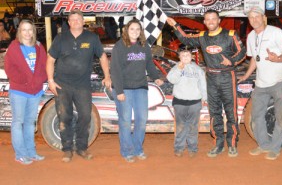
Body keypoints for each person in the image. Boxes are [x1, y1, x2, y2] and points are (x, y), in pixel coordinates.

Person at [167, 10, 246, 158]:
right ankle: (218, 144)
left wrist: (232, 61)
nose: (210, 21)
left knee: (231, 112)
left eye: (213, 19)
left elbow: (242, 51)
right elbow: (186, 39)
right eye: (207, 19)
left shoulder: (230, 34)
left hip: (227, 76)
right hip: (211, 77)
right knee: (214, 112)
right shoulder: (202, 36)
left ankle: (232, 144)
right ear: (204, 21)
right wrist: (175, 25)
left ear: (218, 20)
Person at [46, 9, 111, 162]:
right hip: (62, 85)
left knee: (85, 117)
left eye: (78, 19)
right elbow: (50, 60)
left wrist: (107, 76)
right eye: (72, 19)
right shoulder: (61, 38)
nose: (75, 22)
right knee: (64, 117)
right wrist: (50, 80)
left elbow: (102, 57)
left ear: (83, 21)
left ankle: (82, 148)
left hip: (83, 85)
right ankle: (67, 149)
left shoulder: (92, 38)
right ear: (68, 22)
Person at [239, 6, 282, 160]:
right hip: (261, 83)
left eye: (257, 16)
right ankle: (264, 145)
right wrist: (246, 75)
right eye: (251, 17)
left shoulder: (276, 32)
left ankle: (275, 147)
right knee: (256, 116)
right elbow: (255, 59)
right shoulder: (250, 37)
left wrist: (278, 58)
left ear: (263, 17)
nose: (254, 20)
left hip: (279, 81)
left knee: (280, 116)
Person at [110, 19, 164, 163]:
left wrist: (156, 77)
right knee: (126, 121)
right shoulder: (119, 46)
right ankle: (126, 151)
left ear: (140, 31)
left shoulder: (144, 46)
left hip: (140, 87)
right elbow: (114, 70)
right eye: (132, 29)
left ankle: (137, 149)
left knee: (141, 120)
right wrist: (119, 91)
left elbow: (149, 64)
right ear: (126, 30)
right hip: (124, 89)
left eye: (137, 29)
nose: (135, 32)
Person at [4, 19, 47, 165]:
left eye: (30, 29)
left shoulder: (39, 47)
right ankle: (20, 154)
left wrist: (39, 80)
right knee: (18, 122)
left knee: (29, 122)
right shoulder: (14, 47)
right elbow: (9, 69)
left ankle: (31, 152)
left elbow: (44, 66)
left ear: (33, 31)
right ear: (19, 31)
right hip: (19, 91)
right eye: (24, 29)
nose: (27, 33)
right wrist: (24, 80)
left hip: (35, 91)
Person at [166, 48, 207, 158]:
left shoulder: (198, 69)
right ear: (179, 57)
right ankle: (179, 148)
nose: (185, 57)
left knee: (193, 126)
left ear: (192, 57)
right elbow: (171, 80)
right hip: (180, 102)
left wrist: (204, 98)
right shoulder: (175, 68)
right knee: (180, 126)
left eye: (187, 55)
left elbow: (203, 85)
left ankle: (192, 148)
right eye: (183, 55)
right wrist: (179, 69)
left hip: (195, 102)